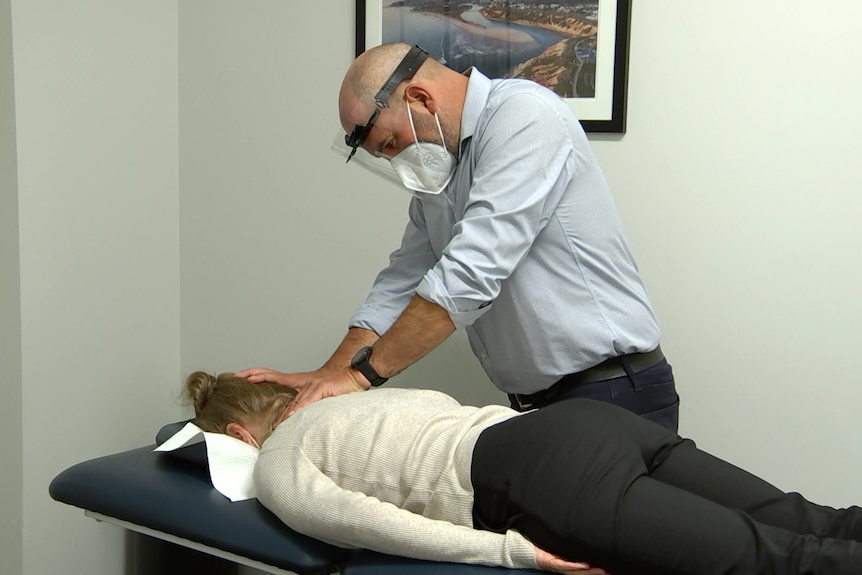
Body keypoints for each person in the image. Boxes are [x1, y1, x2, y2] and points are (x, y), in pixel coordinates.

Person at [239, 42, 679, 430]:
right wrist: (328, 377)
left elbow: (468, 276)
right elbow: (402, 281)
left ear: (420, 98)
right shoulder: (444, 174)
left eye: (390, 144)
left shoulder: (525, 117)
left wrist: (357, 378)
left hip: (613, 392)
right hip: (538, 407)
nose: (396, 161)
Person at [186, 371, 862, 575]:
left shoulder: (277, 460)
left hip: (538, 474)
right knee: (807, 521)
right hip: (587, 421)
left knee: (775, 562)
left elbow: (371, 524)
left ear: (240, 434)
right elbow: (442, 407)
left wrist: (513, 550)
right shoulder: (355, 401)